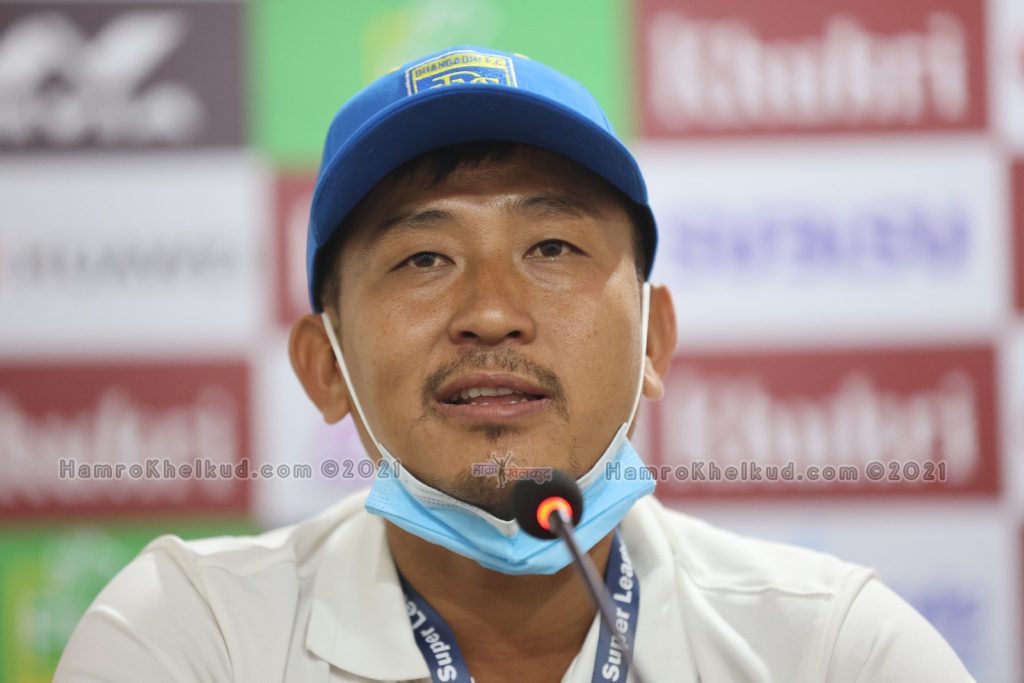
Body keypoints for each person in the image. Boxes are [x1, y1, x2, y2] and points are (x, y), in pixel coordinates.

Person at [55, 45, 974, 683]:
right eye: (424, 258)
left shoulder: (829, 647)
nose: (491, 313)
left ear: (654, 341)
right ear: (324, 367)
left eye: (552, 248)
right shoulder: (194, 633)